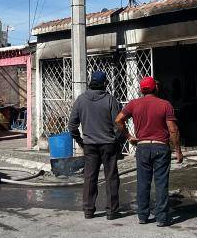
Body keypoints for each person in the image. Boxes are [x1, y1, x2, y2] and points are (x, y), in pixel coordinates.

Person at [116, 76, 182, 226]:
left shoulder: (133, 104)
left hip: (143, 147)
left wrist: (129, 137)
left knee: (143, 182)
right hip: (161, 147)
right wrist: (178, 150)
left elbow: (118, 120)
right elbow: (173, 129)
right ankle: (161, 218)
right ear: (156, 88)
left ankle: (143, 216)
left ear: (141, 90)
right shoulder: (165, 104)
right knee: (161, 183)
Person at [68, 71, 123, 220]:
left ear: (90, 82)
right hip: (108, 144)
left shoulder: (80, 100)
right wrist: (116, 140)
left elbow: (72, 126)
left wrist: (80, 141)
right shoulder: (110, 100)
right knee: (111, 177)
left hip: (90, 145)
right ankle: (111, 211)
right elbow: (119, 124)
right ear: (105, 83)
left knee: (90, 177)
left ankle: (88, 210)